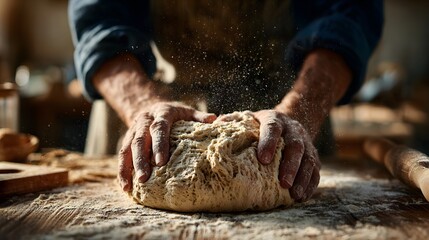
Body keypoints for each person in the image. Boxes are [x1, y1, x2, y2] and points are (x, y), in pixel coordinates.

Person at [68, 0, 384, 202]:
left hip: (290, 112)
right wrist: (140, 105)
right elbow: (98, 21)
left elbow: (351, 13)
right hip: (149, 106)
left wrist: (300, 110)